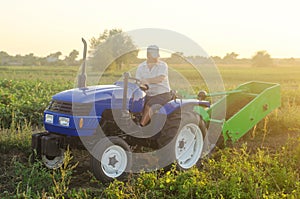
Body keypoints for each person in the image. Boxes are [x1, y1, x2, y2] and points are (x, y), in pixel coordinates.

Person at [136, 45, 172, 126]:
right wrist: (142, 85)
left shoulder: (163, 65)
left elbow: (160, 78)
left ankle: (141, 126)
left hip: (163, 94)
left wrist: (147, 80)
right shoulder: (141, 67)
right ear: (148, 55)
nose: (158, 56)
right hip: (147, 94)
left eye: (158, 54)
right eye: (155, 54)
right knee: (135, 103)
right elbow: (138, 81)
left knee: (150, 105)